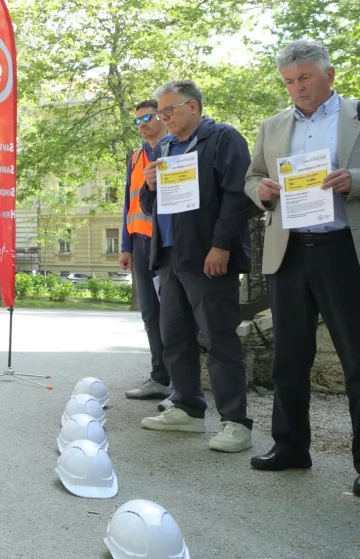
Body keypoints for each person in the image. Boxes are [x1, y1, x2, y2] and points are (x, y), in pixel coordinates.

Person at [243, 40, 360, 497]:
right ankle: (290, 447)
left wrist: (355, 180)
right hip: (288, 252)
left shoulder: (356, 115)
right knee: (289, 359)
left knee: (356, 360)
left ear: (330, 74)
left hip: (342, 251)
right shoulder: (272, 126)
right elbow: (251, 177)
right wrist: (263, 191)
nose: (297, 88)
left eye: (305, 78)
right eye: (289, 82)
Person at [138, 80, 256, 453]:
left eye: (168, 110)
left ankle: (235, 422)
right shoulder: (166, 147)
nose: (163, 118)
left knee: (220, 336)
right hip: (170, 256)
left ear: (193, 106)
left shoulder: (223, 139)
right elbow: (148, 207)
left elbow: (239, 196)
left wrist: (221, 246)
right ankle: (188, 407)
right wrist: (150, 185)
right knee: (174, 335)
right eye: (160, 112)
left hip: (208, 257)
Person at [120, 100, 174, 403]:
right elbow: (128, 203)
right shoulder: (135, 157)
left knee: (174, 316)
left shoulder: (175, 150)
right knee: (151, 315)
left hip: (167, 244)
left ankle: (181, 385)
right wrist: (126, 246)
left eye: (149, 117)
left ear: (164, 118)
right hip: (141, 244)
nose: (142, 123)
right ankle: (159, 378)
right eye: (138, 119)